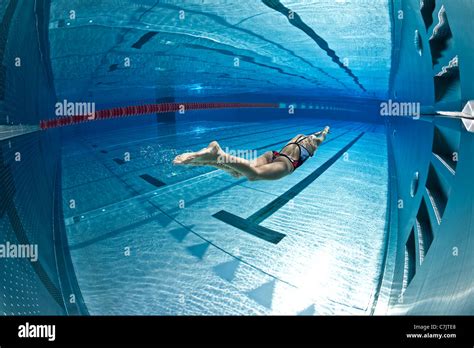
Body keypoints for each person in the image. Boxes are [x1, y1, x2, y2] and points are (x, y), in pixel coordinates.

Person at [173, 126, 330, 181]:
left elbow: (319, 132)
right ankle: (217, 154)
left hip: (273, 155)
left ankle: (203, 160)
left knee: (239, 172)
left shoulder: (300, 136)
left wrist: (320, 130)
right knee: (254, 175)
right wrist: (324, 132)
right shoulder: (314, 143)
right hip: (286, 163)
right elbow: (323, 135)